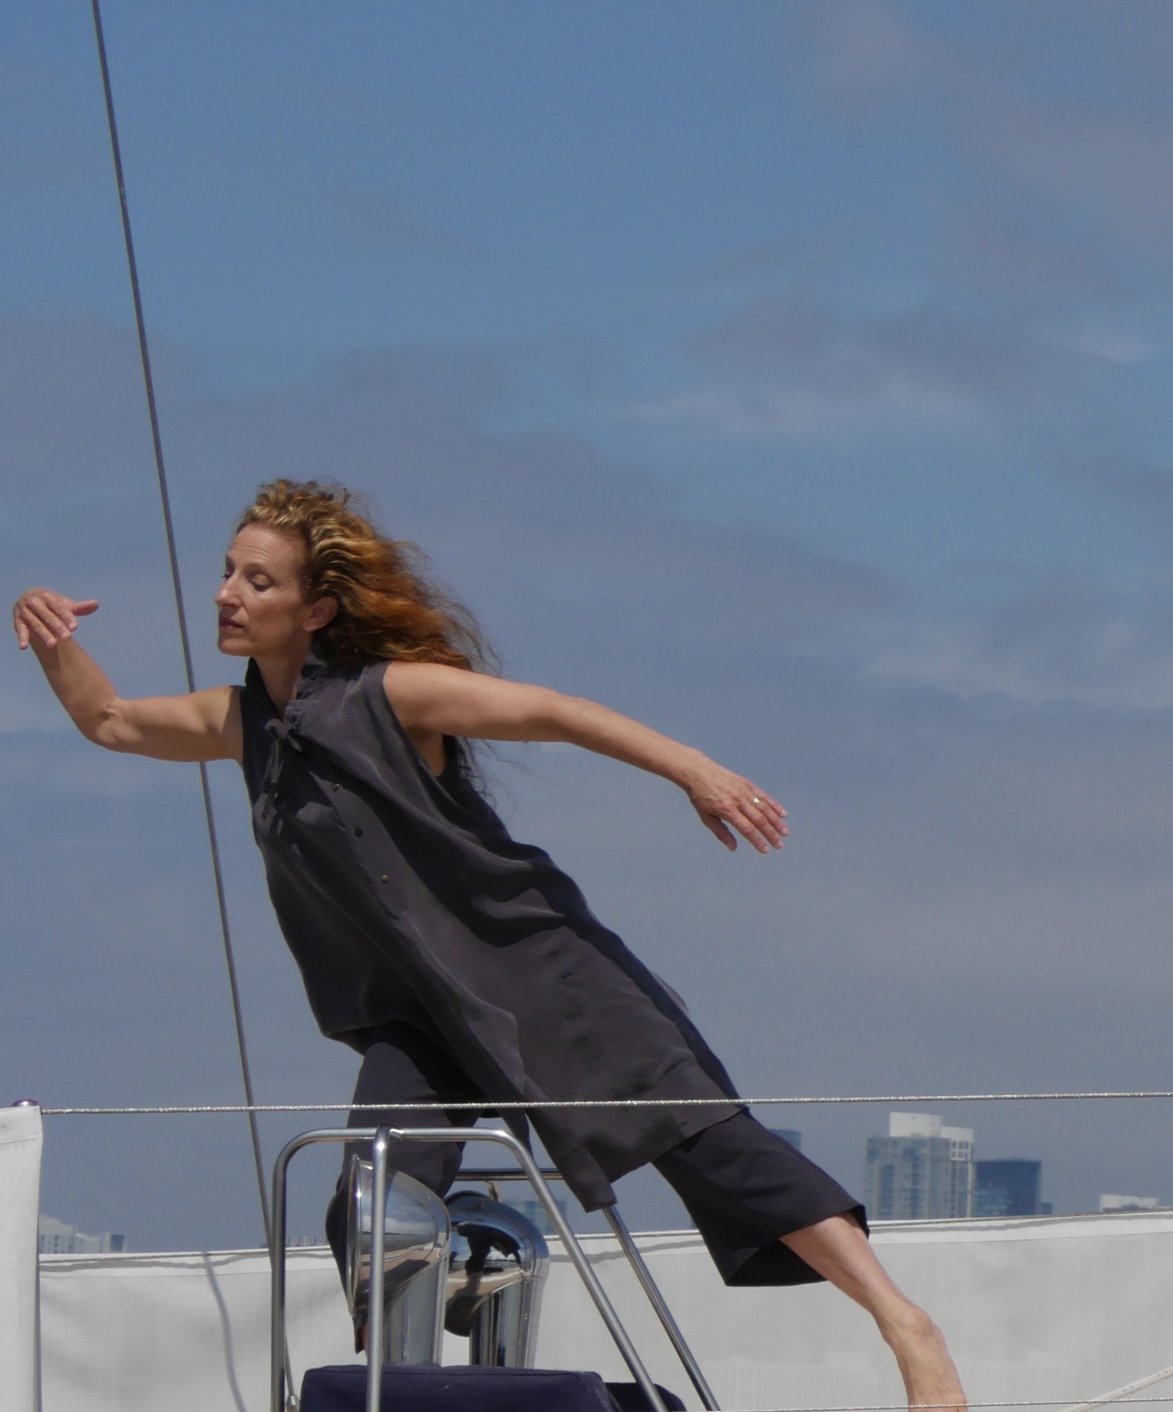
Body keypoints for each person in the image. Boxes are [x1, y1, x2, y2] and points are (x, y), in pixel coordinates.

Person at [14, 480, 967, 1410]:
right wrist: (56, 639)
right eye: (230, 573)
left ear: (320, 609)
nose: (228, 593)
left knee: (715, 1146)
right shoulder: (242, 723)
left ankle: (902, 1324)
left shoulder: (391, 695)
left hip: (535, 965)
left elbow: (552, 710)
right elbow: (109, 721)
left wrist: (695, 771)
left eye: (259, 581)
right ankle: (443, 1322)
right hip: (414, 1011)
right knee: (374, 1194)